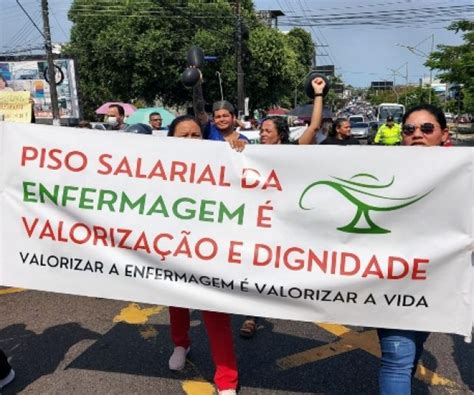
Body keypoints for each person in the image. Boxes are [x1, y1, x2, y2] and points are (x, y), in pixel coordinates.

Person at [239, 76, 327, 338]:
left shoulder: (294, 150)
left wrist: (318, 94)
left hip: (289, 220)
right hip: (260, 220)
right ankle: (251, 316)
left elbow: (314, 126)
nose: (263, 134)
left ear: (280, 134)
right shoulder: (251, 153)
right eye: (262, 130)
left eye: (267, 130)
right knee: (254, 266)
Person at [166, 114, 242, 395]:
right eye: (183, 135)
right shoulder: (155, 164)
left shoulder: (223, 158)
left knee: (215, 313)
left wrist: (238, 150)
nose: (190, 140)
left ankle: (226, 379)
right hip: (172, 246)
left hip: (209, 249)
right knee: (175, 302)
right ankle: (180, 344)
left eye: (195, 135)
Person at [376, 103, 449, 395]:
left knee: (414, 347)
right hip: (393, 278)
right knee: (397, 358)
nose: (417, 134)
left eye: (426, 128)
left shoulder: (466, 175)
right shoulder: (383, 172)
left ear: (444, 134)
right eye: (410, 130)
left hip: (439, 281)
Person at [192, 74, 249, 144]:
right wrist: (196, 82)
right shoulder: (209, 130)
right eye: (218, 117)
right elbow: (199, 111)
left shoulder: (244, 140)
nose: (221, 120)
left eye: (225, 116)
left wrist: (244, 145)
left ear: (233, 117)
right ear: (213, 119)